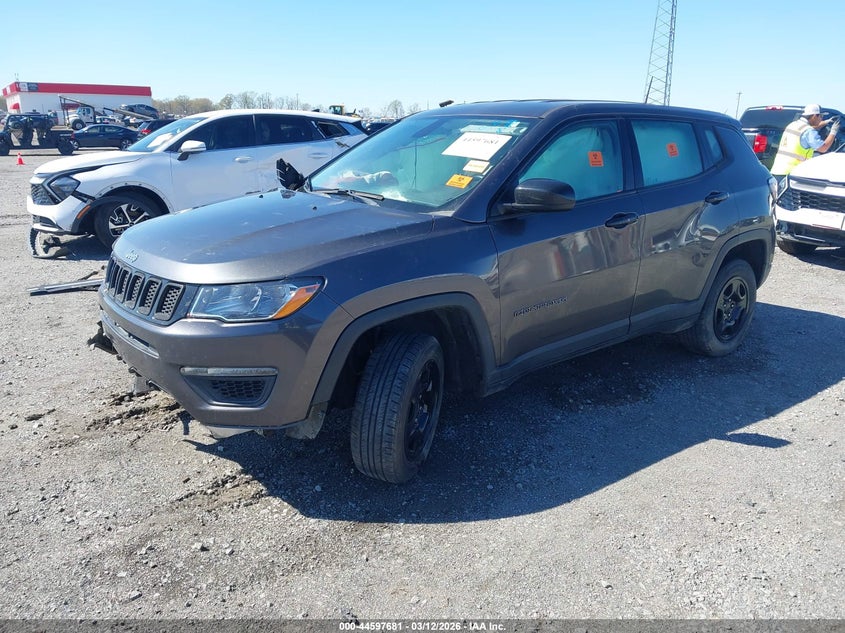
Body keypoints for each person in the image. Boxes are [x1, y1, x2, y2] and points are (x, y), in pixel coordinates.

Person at [771, 104, 841, 183]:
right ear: (814, 116)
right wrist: (833, 131)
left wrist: (826, 122)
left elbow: (809, 129)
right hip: (794, 173)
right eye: (821, 116)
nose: (821, 119)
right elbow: (823, 148)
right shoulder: (808, 131)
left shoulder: (793, 125)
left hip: (778, 170)